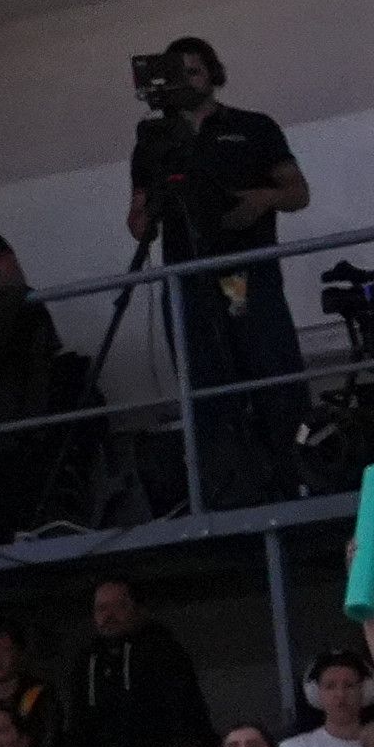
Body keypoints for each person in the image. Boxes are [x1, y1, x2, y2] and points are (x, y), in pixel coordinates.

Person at [125, 39, 310, 507]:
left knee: (271, 374)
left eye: (195, 70)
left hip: (248, 273)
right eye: (177, 72)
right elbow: (137, 220)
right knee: (205, 389)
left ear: (213, 72)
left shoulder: (253, 126)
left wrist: (258, 201)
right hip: (188, 280)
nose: (188, 80)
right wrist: (154, 213)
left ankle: (296, 483)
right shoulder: (153, 141)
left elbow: (297, 191)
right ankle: (227, 496)